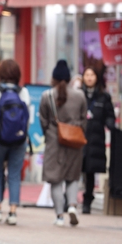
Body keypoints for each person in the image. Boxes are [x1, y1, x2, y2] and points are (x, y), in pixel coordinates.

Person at [39, 60, 87, 227]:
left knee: (55, 179)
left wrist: (50, 132)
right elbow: (83, 119)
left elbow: (43, 120)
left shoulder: (47, 96)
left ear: (53, 78)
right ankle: (73, 205)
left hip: (54, 141)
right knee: (72, 176)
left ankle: (59, 216)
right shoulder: (80, 95)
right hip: (74, 140)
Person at [0, 59, 30, 225]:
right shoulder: (23, 91)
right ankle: (12, 212)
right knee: (15, 174)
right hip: (19, 139)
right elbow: (27, 118)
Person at [80, 66, 115, 214]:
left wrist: (111, 124)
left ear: (97, 77)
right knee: (75, 169)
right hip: (79, 137)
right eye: (86, 75)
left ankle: (88, 200)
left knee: (90, 171)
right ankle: (70, 200)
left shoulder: (103, 96)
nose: (89, 78)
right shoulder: (78, 94)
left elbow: (110, 115)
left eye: (92, 75)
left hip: (95, 138)